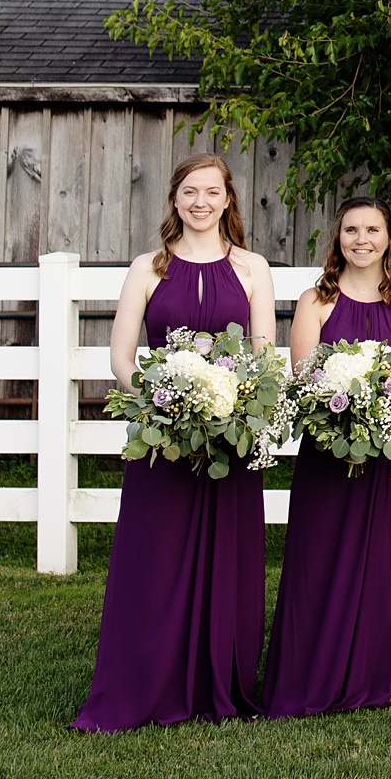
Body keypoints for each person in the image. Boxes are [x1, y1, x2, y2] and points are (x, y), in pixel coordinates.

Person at [72, 153, 279, 731]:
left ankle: (220, 686)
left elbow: (261, 356)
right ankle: (146, 683)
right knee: (154, 560)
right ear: (175, 199)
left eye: (212, 192)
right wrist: (162, 402)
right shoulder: (148, 267)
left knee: (228, 561)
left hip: (231, 442)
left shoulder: (253, 267)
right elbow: (120, 354)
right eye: (190, 191)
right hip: (162, 440)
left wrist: (228, 406)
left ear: (228, 200)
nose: (201, 202)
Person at [262, 197, 391, 716]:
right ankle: (317, 671)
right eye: (351, 230)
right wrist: (348, 411)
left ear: (389, 238)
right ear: (337, 237)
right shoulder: (314, 301)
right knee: (322, 559)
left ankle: (383, 675)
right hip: (330, 451)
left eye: (372, 229)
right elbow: (303, 374)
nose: (361, 239)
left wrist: (382, 406)